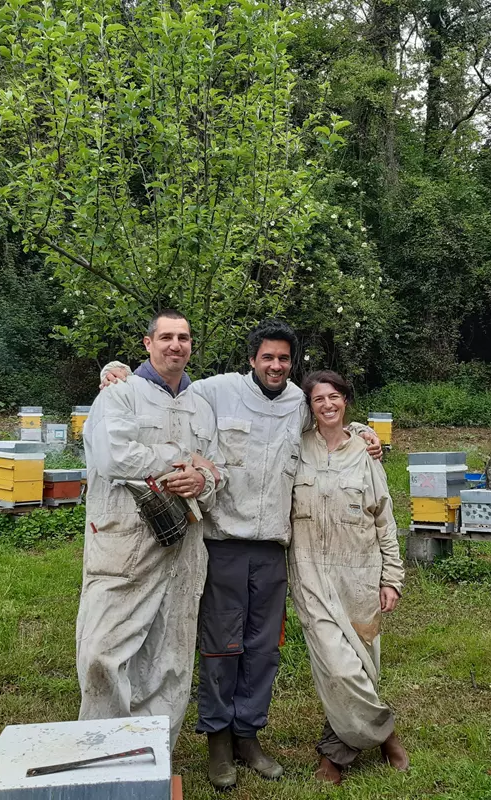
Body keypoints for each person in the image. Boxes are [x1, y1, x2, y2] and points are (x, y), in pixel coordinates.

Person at [99, 319, 383, 789]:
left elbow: (331, 419)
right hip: (223, 544)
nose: (276, 365)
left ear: (292, 363)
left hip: (273, 548)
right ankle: (218, 741)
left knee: (262, 650)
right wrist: (117, 370)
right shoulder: (217, 391)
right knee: (221, 647)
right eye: (267, 357)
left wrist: (362, 430)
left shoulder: (299, 403)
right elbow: (166, 388)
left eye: (284, 359)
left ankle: (248, 737)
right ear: (252, 359)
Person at [76, 309, 225, 749]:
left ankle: (151, 755)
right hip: (124, 542)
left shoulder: (201, 406)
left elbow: (216, 468)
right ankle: (104, 751)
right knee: (102, 652)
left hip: (184, 545)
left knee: (170, 659)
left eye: (183, 337)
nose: (175, 345)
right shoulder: (120, 394)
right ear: (147, 343)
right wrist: (181, 458)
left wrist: (203, 480)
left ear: (191, 345)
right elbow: (114, 458)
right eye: (166, 337)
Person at [290, 370, 407, 785]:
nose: (327, 405)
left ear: (345, 400)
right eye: (318, 399)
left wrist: (391, 577)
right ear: (309, 406)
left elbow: (384, 520)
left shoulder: (365, 452)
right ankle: (385, 733)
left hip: (359, 575)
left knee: (359, 669)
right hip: (310, 575)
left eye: (334, 397)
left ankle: (335, 755)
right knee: (337, 669)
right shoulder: (295, 448)